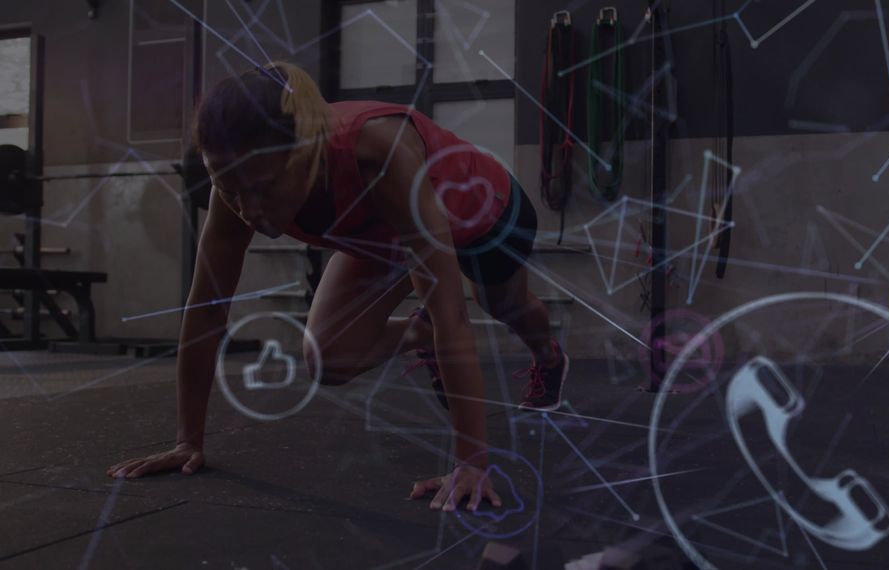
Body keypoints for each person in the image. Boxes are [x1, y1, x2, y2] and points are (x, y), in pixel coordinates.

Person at [105, 62, 570, 512]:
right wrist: (188, 440)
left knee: (504, 306)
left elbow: (452, 314)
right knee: (327, 358)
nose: (247, 208)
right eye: (229, 190)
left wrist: (472, 464)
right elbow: (207, 308)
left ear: (305, 156)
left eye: (263, 189)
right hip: (384, 234)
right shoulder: (238, 182)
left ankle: (549, 356)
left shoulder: (378, 152)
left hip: (483, 215)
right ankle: (418, 335)